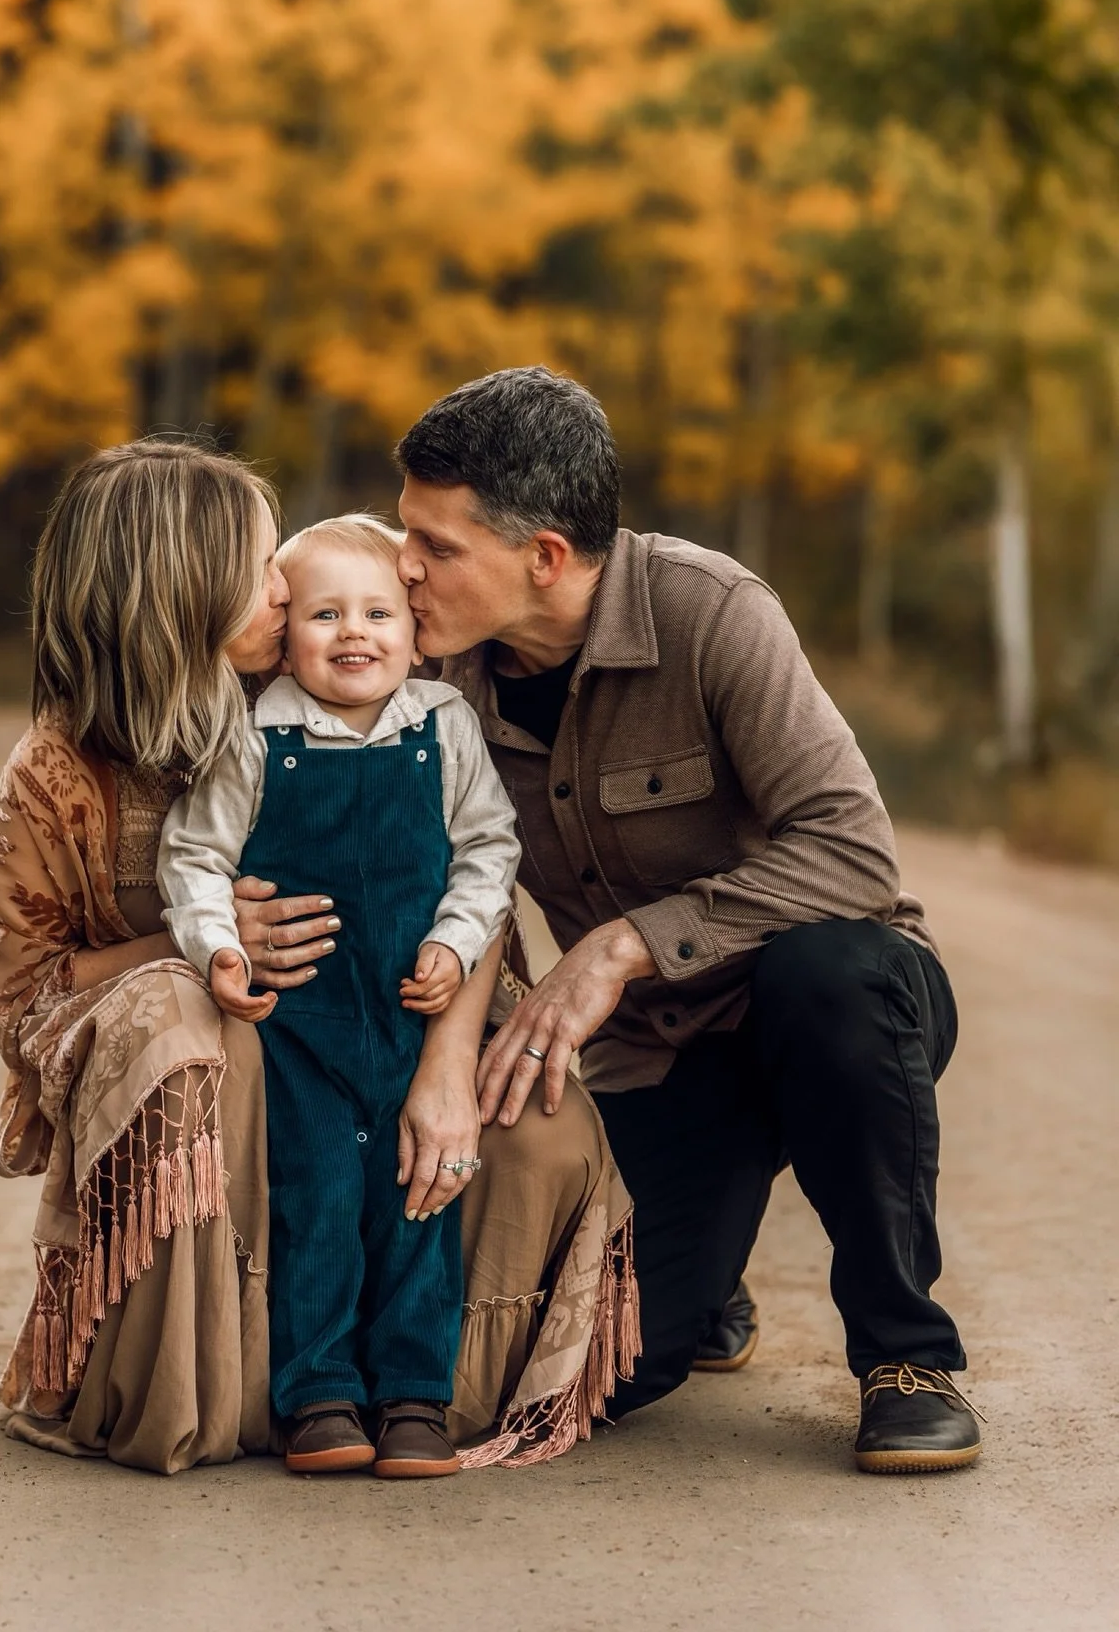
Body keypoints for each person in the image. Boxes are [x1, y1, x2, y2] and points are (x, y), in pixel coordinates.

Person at [0, 438, 636, 1477]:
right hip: (259, 1043)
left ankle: (430, 1388)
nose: (293, 591)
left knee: (534, 1130)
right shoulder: (63, 771)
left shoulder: (369, 690)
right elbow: (24, 997)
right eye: (264, 569)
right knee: (191, 1033)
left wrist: (449, 1065)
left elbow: (471, 866)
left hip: (398, 1010)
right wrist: (198, 938)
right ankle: (239, 1382)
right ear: (181, 589)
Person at [390, 366, 983, 1475]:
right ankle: (710, 1278)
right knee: (602, 1373)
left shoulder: (713, 614)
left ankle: (908, 1357)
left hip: (840, 1000)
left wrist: (624, 944)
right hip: (664, 1054)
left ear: (547, 558)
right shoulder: (432, 680)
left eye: (436, 545)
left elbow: (853, 852)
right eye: (402, 534)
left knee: (828, 979)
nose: (404, 567)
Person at [159, 515, 522, 1477]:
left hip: (408, 1013)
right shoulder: (253, 736)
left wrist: (455, 938)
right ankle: (318, 1396)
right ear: (288, 632)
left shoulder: (444, 727)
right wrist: (218, 947)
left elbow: (491, 849)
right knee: (315, 1194)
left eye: (378, 612)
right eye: (324, 613)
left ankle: (414, 1399)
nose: (353, 632)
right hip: (300, 1027)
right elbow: (193, 856)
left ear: (414, 626)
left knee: (419, 1196)